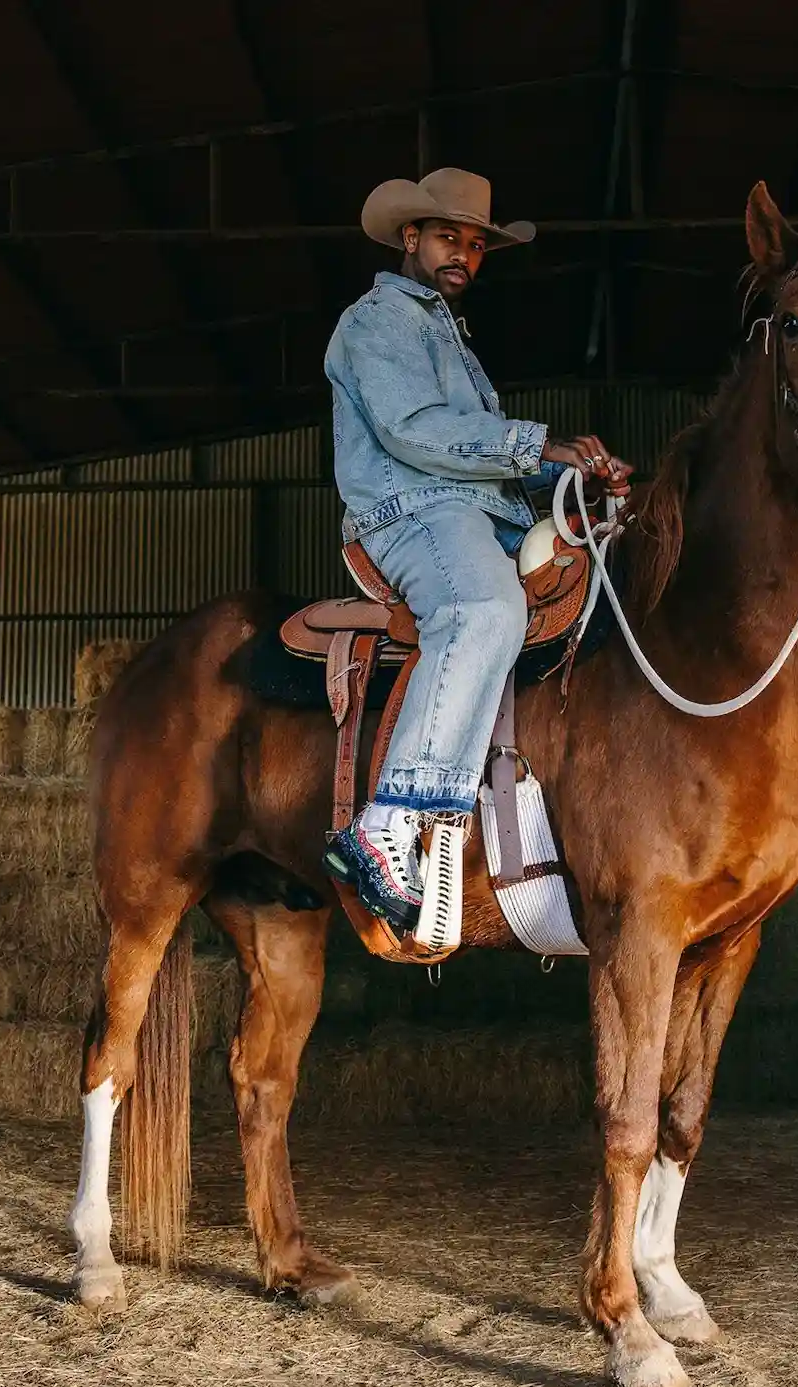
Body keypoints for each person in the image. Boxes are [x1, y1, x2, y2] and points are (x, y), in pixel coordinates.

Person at [322, 167, 631, 930]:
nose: (464, 254)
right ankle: (388, 823)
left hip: (475, 511)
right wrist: (544, 446)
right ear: (411, 238)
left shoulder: (447, 332)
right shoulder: (378, 322)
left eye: (475, 244)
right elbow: (415, 431)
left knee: (594, 578)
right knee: (485, 607)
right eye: (448, 238)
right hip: (414, 509)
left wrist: (580, 496)